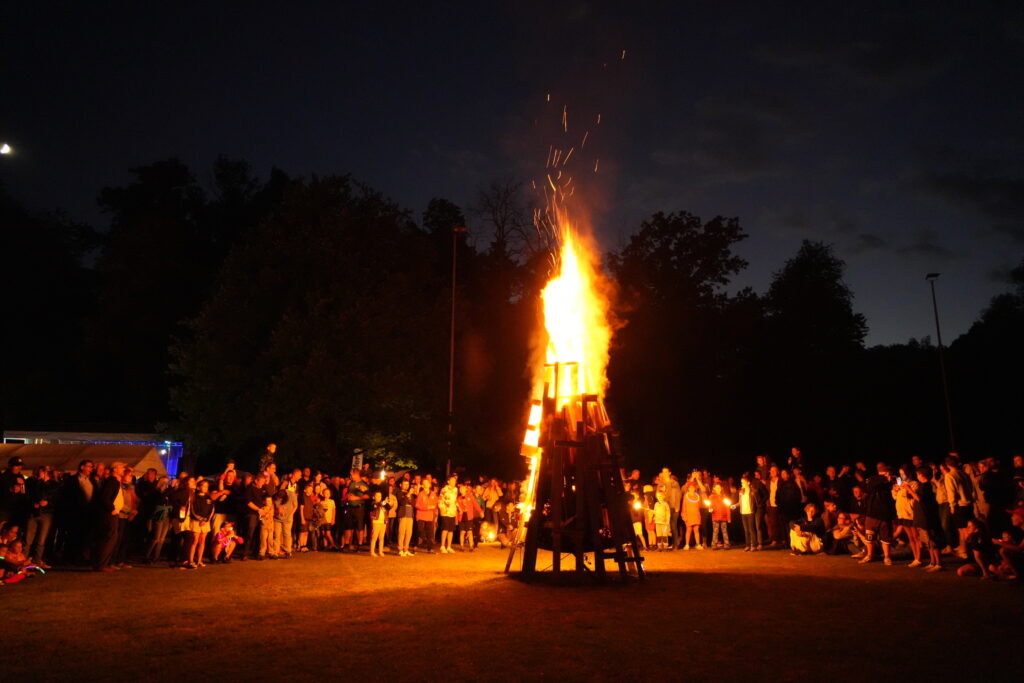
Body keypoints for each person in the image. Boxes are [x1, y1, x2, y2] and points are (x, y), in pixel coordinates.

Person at [93, 462, 127, 572]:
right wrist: (111, 509)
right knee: (109, 538)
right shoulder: (112, 481)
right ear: (115, 470)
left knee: (111, 538)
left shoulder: (115, 482)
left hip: (113, 513)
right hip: (109, 514)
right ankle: (101, 564)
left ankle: (104, 563)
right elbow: (105, 497)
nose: (123, 469)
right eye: (121, 467)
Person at [861, 463, 897, 565]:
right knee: (870, 536)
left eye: (886, 472)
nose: (885, 474)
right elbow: (868, 487)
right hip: (872, 512)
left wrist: (890, 482)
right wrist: (882, 478)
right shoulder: (874, 479)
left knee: (886, 537)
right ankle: (869, 555)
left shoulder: (892, 481)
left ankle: (887, 557)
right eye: (882, 472)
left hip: (885, 514)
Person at [186, 479, 214, 568]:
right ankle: (190, 560)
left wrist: (206, 520)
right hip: (196, 521)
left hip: (206, 522)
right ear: (199, 487)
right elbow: (193, 510)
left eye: (207, 486)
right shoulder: (194, 497)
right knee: (195, 540)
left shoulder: (209, 498)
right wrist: (200, 519)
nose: (205, 488)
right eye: (204, 486)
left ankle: (199, 560)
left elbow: (212, 510)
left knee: (202, 541)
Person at [143, 477, 172, 563]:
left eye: (167, 483)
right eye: (164, 482)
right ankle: (147, 556)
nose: (166, 485)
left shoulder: (168, 493)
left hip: (167, 516)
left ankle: (156, 557)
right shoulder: (155, 493)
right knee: (155, 537)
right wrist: (165, 492)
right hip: (158, 516)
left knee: (162, 539)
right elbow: (158, 501)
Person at [342, 469, 369, 551]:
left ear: (356, 474)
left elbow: (368, 496)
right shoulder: (351, 483)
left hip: (359, 507)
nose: (351, 476)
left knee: (359, 527)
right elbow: (349, 493)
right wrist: (346, 497)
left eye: (352, 475)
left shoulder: (363, 484)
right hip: (349, 507)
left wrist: (356, 498)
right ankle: (347, 544)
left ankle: (359, 545)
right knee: (348, 526)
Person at [456, 483, 483, 551]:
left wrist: (480, 511)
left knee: (469, 532)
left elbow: (475, 504)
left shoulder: (470, 496)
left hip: (469, 516)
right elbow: (457, 508)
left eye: (463, 489)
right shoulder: (458, 498)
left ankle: (471, 546)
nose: (462, 490)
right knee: (462, 532)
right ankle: (462, 546)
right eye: (460, 489)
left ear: (465, 489)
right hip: (461, 517)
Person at [415, 480, 439, 554]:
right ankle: (418, 544)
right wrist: (427, 507)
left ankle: (430, 548)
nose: (426, 484)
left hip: (429, 516)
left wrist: (434, 513)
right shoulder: (420, 494)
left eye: (427, 483)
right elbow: (417, 505)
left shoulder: (433, 494)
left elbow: (435, 503)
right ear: (422, 485)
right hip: (421, 515)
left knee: (430, 533)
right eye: (425, 483)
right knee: (420, 530)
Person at [438, 474, 459, 554]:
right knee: (445, 529)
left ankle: (449, 546)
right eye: (452, 480)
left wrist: (458, 508)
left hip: (452, 512)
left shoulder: (456, 490)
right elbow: (440, 499)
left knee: (451, 530)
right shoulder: (444, 489)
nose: (454, 482)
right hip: (445, 512)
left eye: (455, 481)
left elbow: (455, 500)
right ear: (448, 481)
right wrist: (442, 509)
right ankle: (442, 546)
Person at [395, 479, 416, 556]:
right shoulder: (399, 493)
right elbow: (402, 502)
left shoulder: (410, 494)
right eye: (405, 484)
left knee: (409, 533)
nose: (406, 486)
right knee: (402, 532)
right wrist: (408, 495)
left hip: (410, 515)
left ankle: (406, 549)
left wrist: (410, 495)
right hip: (403, 514)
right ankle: (400, 549)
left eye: (407, 484)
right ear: (401, 485)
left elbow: (413, 504)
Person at [681, 482, 703, 550]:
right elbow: (684, 506)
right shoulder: (686, 496)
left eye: (693, 487)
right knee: (688, 530)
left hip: (696, 514)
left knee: (696, 530)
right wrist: (684, 515)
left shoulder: (697, 496)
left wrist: (699, 515)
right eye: (690, 487)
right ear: (688, 488)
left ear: (695, 488)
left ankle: (698, 544)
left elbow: (699, 506)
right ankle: (687, 544)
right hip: (688, 515)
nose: (691, 489)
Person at [709, 484, 732, 549]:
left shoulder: (724, 497)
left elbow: (727, 507)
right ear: (714, 489)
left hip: (723, 516)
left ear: (721, 488)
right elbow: (710, 506)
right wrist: (710, 509)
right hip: (715, 516)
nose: (718, 489)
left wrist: (729, 517)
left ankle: (726, 544)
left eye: (719, 487)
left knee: (724, 531)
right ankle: (714, 544)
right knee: (715, 531)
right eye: (717, 488)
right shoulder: (712, 497)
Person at [369, 490, 390, 556]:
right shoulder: (373, 503)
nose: (379, 497)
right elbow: (376, 506)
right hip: (376, 522)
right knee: (374, 537)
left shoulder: (383, 504)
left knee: (381, 538)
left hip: (383, 522)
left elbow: (389, 507)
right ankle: (372, 551)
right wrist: (384, 502)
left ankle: (380, 551)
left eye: (380, 496)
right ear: (374, 497)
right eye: (377, 496)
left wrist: (386, 503)